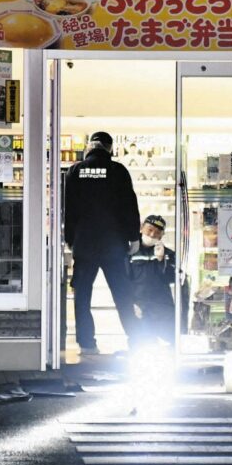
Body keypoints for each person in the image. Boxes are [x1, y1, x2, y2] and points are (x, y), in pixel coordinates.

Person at [64, 131, 141, 355]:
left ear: (90, 147)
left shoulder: (75, 171)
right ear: (110, 148)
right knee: (122, 294)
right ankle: (136, 340)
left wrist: (70, 239)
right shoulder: (118, 171)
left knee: (82, 295)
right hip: (113, 244)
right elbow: (129, 206)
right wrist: (133, 237)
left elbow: (68, 208)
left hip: (84, 244)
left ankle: (87, 344)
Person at [127, 215, 178, 347]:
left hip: (162, 309)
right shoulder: (129, 252)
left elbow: (173, 278)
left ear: (162, 235)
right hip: (139, 307)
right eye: (149, 229)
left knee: (170, 345)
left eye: (157, 232)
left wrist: (161, 260)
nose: (152, 234)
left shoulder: (168, 254)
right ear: (141, 228)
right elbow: (123, 280)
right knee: (140, 345)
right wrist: (130, 303)